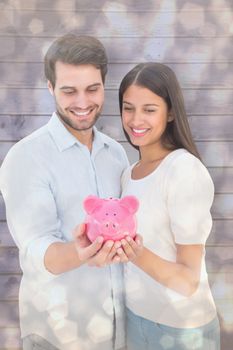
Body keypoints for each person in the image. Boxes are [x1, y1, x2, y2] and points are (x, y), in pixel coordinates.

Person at [0, 34, 140, 350]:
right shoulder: (26, 157)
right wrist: (79, 252)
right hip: (57, 337)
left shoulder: (114, 154)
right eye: (69, 91)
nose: (82, 102)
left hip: (117, 334)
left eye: (92, 89)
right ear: (50, 87)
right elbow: (36, 249)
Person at [118, 62, 220, 350]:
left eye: (149, 109)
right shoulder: (129, 173)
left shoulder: (183, 170)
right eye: (128, 108)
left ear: (171, 112)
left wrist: (133, 253)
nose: (136, 119)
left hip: (181, 332)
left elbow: (188, 280)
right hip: (136, 318)